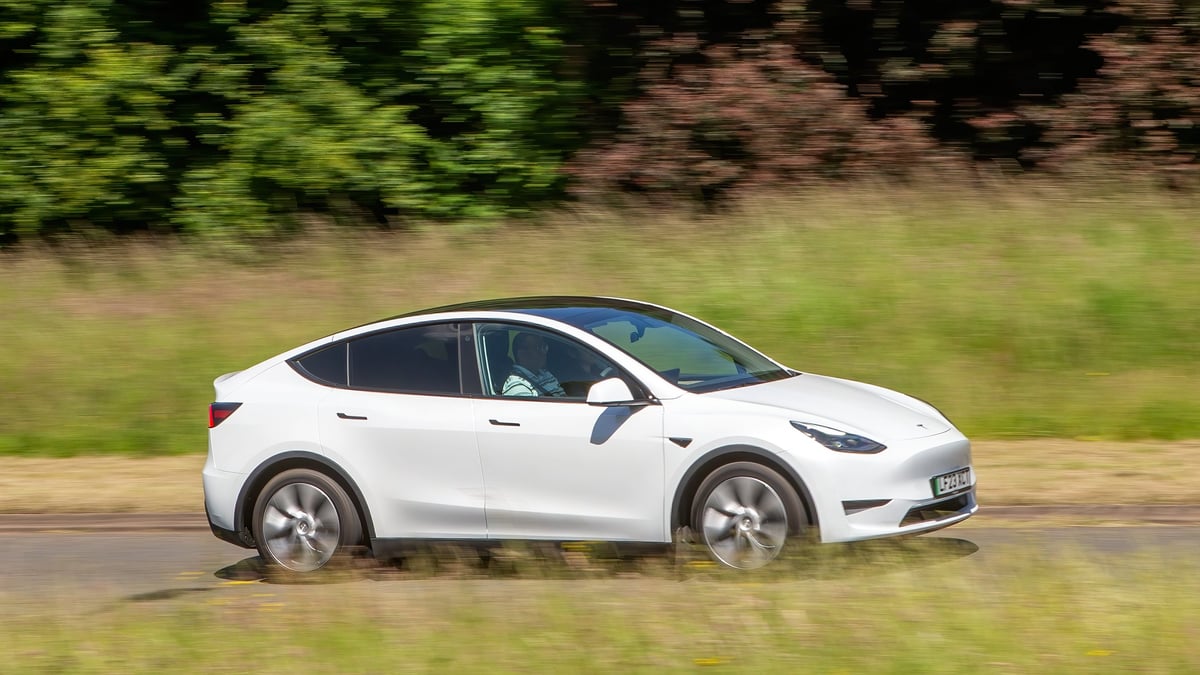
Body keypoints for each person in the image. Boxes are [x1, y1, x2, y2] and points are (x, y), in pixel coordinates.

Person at [502, 332, 567, 397]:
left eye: (544, 347)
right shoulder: (518, 386)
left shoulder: (546, 374)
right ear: (522, 354)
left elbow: (564, 399)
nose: (544, 352)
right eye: (539, 347)